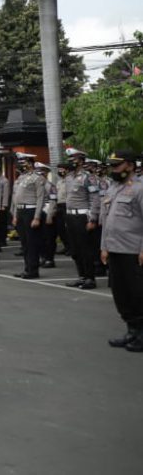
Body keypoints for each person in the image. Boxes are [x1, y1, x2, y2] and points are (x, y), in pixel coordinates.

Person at [99, 150, 143, 352]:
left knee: (137, 293)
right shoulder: (113, 188)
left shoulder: (140, 189)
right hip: (114, 249)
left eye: (117, 165)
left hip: (133, 251)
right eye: (112, 165)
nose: (113, 169)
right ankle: (131, 330)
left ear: (130, 166)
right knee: (121, 294)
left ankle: (141, 335)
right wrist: (104, 247)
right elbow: (107, 221)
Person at [64, 151, 102, 289]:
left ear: (80, 160)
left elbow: (95, 198)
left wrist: (92, 219)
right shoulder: (69, 177)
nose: (70, 161)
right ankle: (81, 276)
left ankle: (90, 278)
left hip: (82, 217)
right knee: (75, 250)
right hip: (70, 216)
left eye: (73, 159)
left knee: (86, 249)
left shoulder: (88, 177)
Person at [11, 154, 46, 279]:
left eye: (23, 161)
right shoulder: (21, 177)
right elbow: (16, 199)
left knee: (32, 243)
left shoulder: (38, 178)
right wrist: (15, 215)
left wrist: (37, 217)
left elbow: (40, 198)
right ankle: (27, 268)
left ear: (30, 163)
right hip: (21, 211)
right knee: (24, 243)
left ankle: (33, 270)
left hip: (31, 211)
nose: (21, 164)